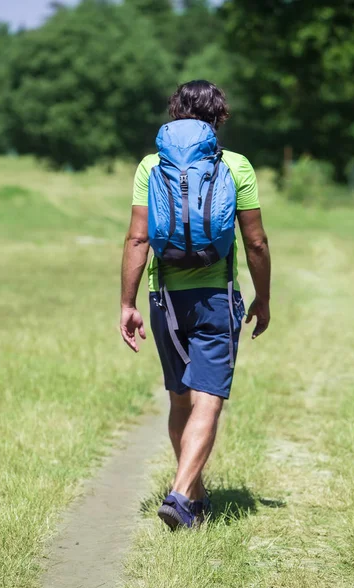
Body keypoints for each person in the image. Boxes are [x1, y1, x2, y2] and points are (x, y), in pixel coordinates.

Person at [120, 80, 271, 530]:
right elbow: (256, 242)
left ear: (174, 113)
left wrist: (126, 303)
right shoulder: (236, 165)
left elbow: (137, 238)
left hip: (164, 295)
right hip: (216, 294)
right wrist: (263, 297)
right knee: (210, 398)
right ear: (219, 117)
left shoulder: (151, 164)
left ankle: (193, 496)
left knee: (180, 398)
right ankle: (183, 493)